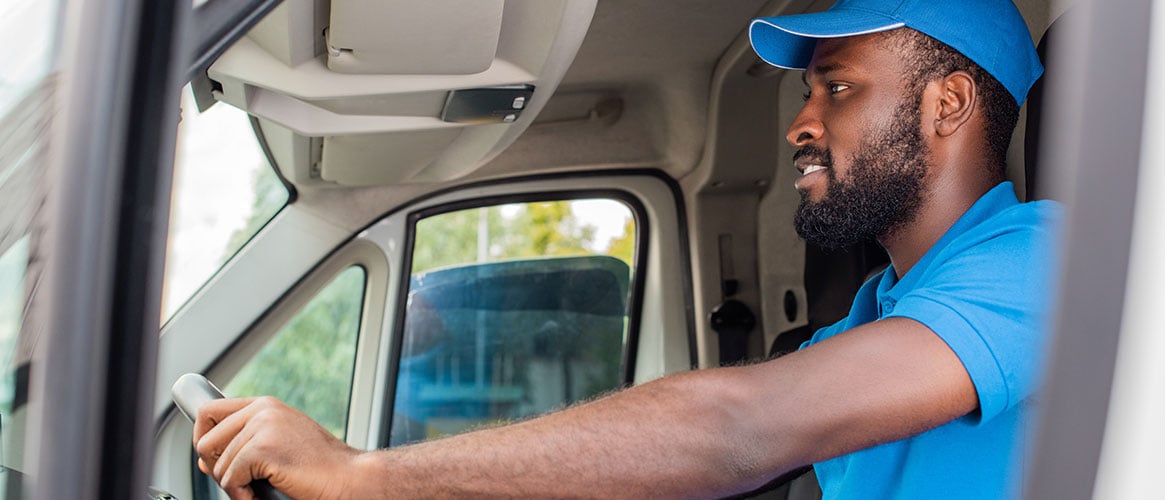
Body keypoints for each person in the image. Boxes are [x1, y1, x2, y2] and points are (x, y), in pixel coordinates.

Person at [193, 0, 1060, 498]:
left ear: (947, 106)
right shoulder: (868, 326)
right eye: (808, 92)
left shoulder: (1046, 263)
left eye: (837, 88)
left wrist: (362, 477)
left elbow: (737, 425)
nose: (800, 122)